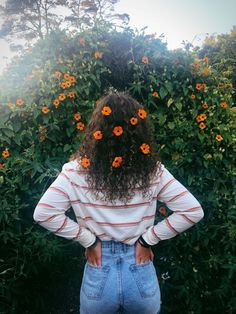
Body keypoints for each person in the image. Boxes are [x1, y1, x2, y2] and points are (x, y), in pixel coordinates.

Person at [33, 92, 204, 314]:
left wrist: (89, 241)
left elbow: (43, 214)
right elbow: (192, 211)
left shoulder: (75, 171)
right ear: (139, 130)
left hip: (99, 266)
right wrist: (147, 240)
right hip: (139, 266)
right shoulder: (152, 172)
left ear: (97, 129)